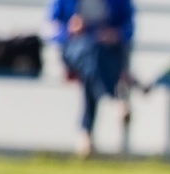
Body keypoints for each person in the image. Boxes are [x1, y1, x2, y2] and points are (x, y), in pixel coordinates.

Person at [47, 0, 134, 158]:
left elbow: (129, 28)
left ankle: (85, 133)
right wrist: (69, 29)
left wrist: (115, 34)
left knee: (92, 67)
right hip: (75, 48)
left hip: (107, 52)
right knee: (92, 54)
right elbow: (51, 28)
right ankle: (116, 97)